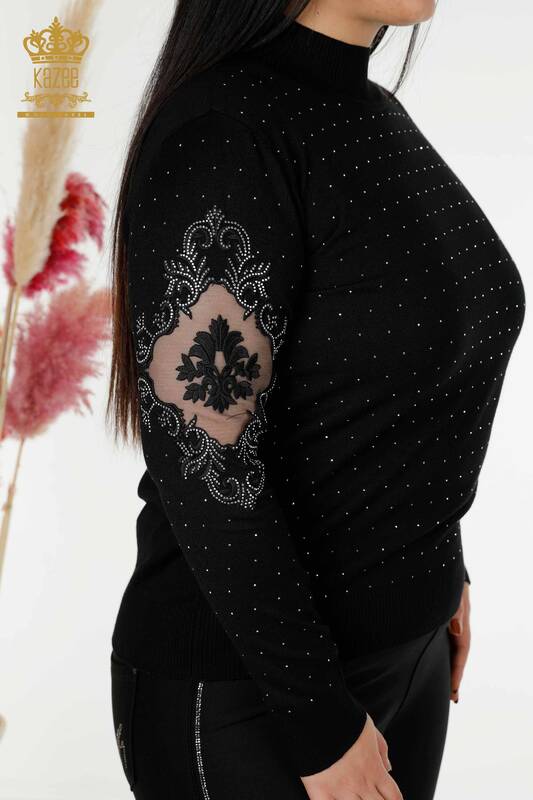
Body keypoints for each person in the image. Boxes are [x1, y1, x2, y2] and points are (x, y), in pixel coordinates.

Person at [106, 2, 525, 798]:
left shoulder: (369, 111)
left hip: (403, 656)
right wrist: (316, 718)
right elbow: (205, 461)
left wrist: (437, 567)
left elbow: (382, 396)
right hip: (260, 693)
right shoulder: (226, 130)